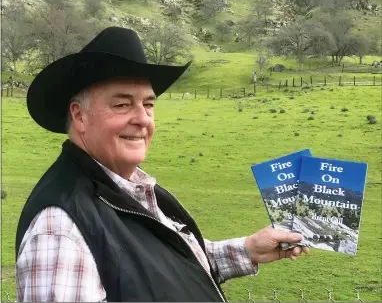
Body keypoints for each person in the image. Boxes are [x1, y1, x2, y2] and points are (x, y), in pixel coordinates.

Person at [16, 27, 308, 302]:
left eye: (148, 104)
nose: (143, 119)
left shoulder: (127, 188)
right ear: (79, 116)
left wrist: (247, 249)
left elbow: (158, 269)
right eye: (122, 104)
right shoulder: (59, 231)